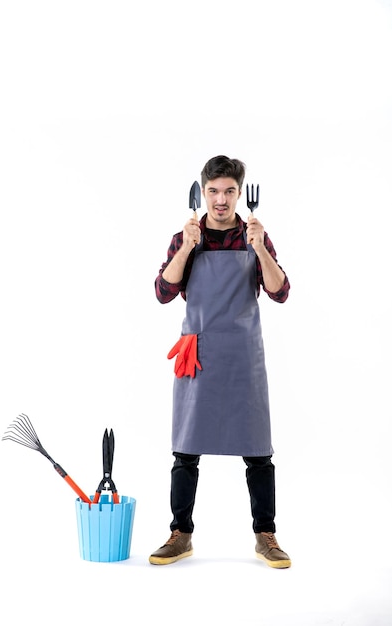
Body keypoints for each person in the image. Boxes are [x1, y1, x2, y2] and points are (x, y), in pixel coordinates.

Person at [149, 155, 291, 568]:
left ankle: (266, 534)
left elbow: (280, 291)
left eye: (229, 191)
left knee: (258, 451)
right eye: (213, 191)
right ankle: (181, 534)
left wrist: (260, 248)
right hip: (200, 353)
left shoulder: (254, 235)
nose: (221, 200)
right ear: (203, 192)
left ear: (240, 192)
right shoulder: (186, 236)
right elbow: (162, 291)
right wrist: (189, 246)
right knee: (186, 450)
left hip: (244, 354)